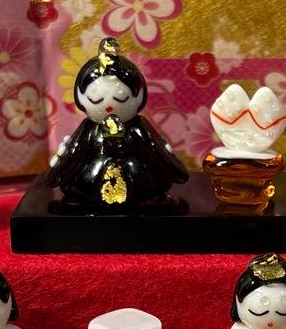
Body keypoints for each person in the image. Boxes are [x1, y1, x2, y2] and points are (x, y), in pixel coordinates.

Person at [46, 36, 188, 206]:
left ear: (139, 97)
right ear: (80, 98)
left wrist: (176, 170)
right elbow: (74, 154)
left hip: (136, 175)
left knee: (148, 184)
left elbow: (155, 151)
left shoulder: (138, 127)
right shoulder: (89, 128)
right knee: (82, 185)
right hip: (93, 176)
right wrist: (57, 174)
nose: (108, 106)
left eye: (121, 99)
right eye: (96, 99)